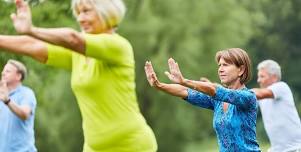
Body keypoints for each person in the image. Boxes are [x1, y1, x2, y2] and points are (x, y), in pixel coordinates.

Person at [0, 0, 157, 151]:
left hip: (131, 146)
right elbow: (33, 45)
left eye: (87, 11)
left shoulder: (119, 46)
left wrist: (32, 30)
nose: (81, 18)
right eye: (78, 13)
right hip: (94, 148)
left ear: (108, 12)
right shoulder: (77, 55)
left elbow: (72, 38)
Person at [145, 48, 261, 152]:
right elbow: (185, 92)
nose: (220, 69)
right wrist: (159, 85)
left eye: (225, 65)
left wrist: (184, 80)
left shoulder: (248, 97)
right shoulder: (217, 101)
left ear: (241, 70)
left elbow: (215, 90)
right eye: (219, 65)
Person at [252, 59, 301, 152]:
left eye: (262, 76)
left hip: (296, 148)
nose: (258, 80)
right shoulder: (261, 98)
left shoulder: (282, 87)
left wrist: (238, 93)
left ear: (274, 77)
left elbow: (259, 94)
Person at [0, 59, 37, 152]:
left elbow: (25, 114)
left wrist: (7, 101)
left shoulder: (27, 93)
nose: (3, 73)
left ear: (18, 76)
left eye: (7, 71)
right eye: (3, 71)